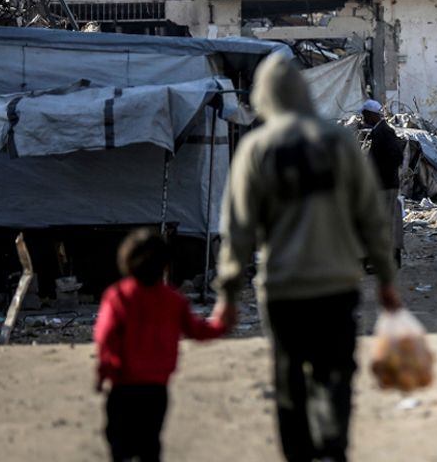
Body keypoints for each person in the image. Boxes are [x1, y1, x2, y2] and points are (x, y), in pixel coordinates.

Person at [214, 55, 402, 462]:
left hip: (282, 289)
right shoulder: (339, 143)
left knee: (288, 379)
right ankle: (334, 447)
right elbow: (371, 216)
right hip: (337, 284)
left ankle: (297, 453)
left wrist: (227, 293)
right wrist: (386, 276)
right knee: (335, 373)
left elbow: (238, 229)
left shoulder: (256, 149)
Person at [96, 229, 227, 462]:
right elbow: (197, 331)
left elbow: (106, 338)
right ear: (165, 265)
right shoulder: (173, 300)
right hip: (157, 388)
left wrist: (103, 373)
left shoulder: (117, 297)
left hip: (124, 385)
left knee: (118, 441)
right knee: (150, 441)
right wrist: (222, 324)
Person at [361, 99, 404, 267]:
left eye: (365, 115)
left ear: (372, 115)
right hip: (384, 184)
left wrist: (379, 173)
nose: (363, 118)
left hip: (385, 185)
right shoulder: (380, 131)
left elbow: (397, 157)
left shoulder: (384, 132)